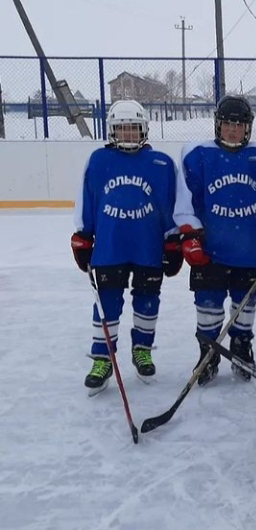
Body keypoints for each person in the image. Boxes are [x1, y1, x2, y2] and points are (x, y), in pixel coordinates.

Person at [71, 99, 181, 393]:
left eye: (133, 129)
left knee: (148, 300)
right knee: (107, 304)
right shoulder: (98, 160)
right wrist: (83, 235)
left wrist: (172, 239)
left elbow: (171, 205)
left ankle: (142, 349)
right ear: (112, 131)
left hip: (148, 246)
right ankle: (102, 357)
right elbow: (87, 199)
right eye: (122, 129)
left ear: (144, 129)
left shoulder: (162, 164)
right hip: (109, 246)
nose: (128, 134)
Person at [173, 95, 256, 385]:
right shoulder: (198, 155)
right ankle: (208, 352)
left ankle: (241, 347)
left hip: (249, 249)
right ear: (218, 125)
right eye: (228, 124)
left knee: (245, 302)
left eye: (239, 125)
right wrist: (189, 234)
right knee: (207, 303)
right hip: (210, 249)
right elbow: (184, 200)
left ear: (248, 128)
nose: (233, 130)